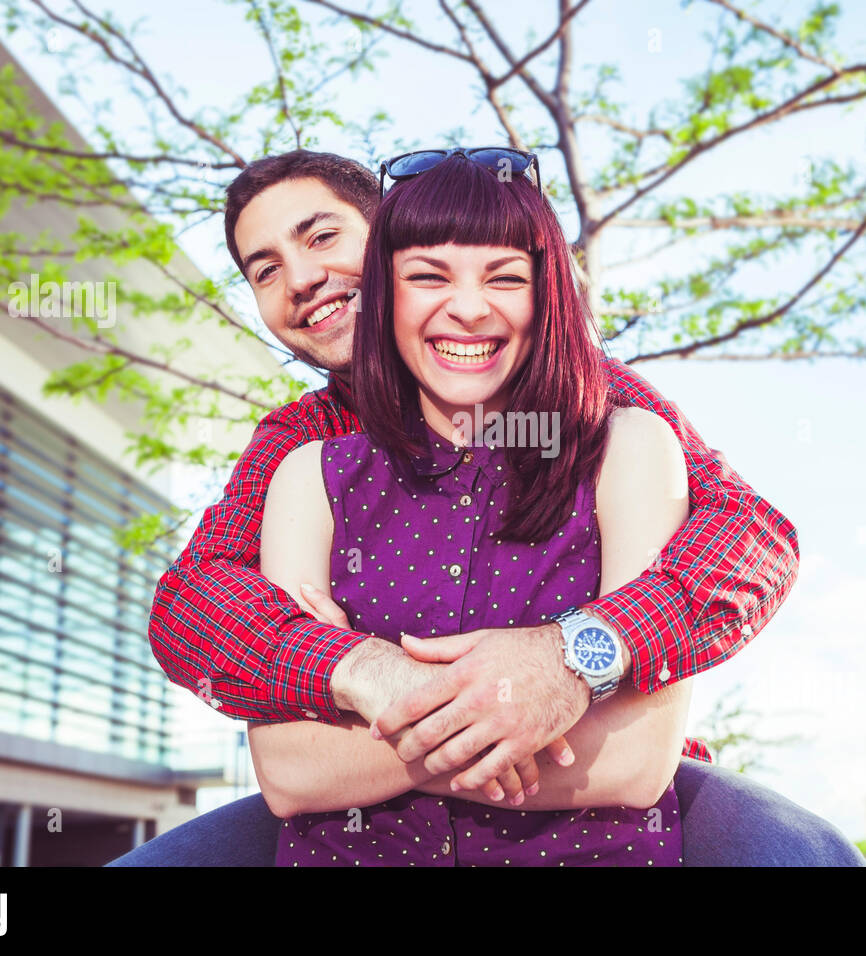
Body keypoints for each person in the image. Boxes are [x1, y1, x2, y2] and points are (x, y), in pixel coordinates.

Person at [111, 148, 866, 866]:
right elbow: (190, 603)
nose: (301, 277)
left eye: (322, 236)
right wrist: (358, 667)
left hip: (594, 797)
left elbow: (750, 534)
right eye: (265, 269)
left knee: (796, 847)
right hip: (364, 820)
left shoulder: (590, 400)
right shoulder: (301, 445)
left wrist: (575, 655)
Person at [251, 150, 696, 865]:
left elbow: (635, 760)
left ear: (546, 296)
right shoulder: (307, 476)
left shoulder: (632, 448)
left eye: (505, 278)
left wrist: (380, 723)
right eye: (427, 277)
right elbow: (287, 771)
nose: (465, 307)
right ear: (385, 299)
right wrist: (513, 715)